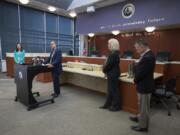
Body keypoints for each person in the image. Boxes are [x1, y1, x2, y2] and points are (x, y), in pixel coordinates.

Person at [130, 39, 155, 132]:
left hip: (145, 86)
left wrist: (135, 79)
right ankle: (140, 118)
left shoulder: (148, 57)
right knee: (141, 106)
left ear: (142, 46)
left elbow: (141, 73)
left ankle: (143, 127)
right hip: (144, 85)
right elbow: (141, 69)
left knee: (144, 108)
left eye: (137, 48)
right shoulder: (146, 55)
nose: (136, 50)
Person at [100, 38, 121, 112]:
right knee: (110, 90)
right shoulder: (114, 53)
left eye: (109, 44)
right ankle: (107, 104)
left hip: (113, 74)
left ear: (113, 45)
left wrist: (103, 70)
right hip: (112, 74)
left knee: (114, 91)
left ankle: (116, 106)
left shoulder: (114, 54)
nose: (108, 45)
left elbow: (108, 65)